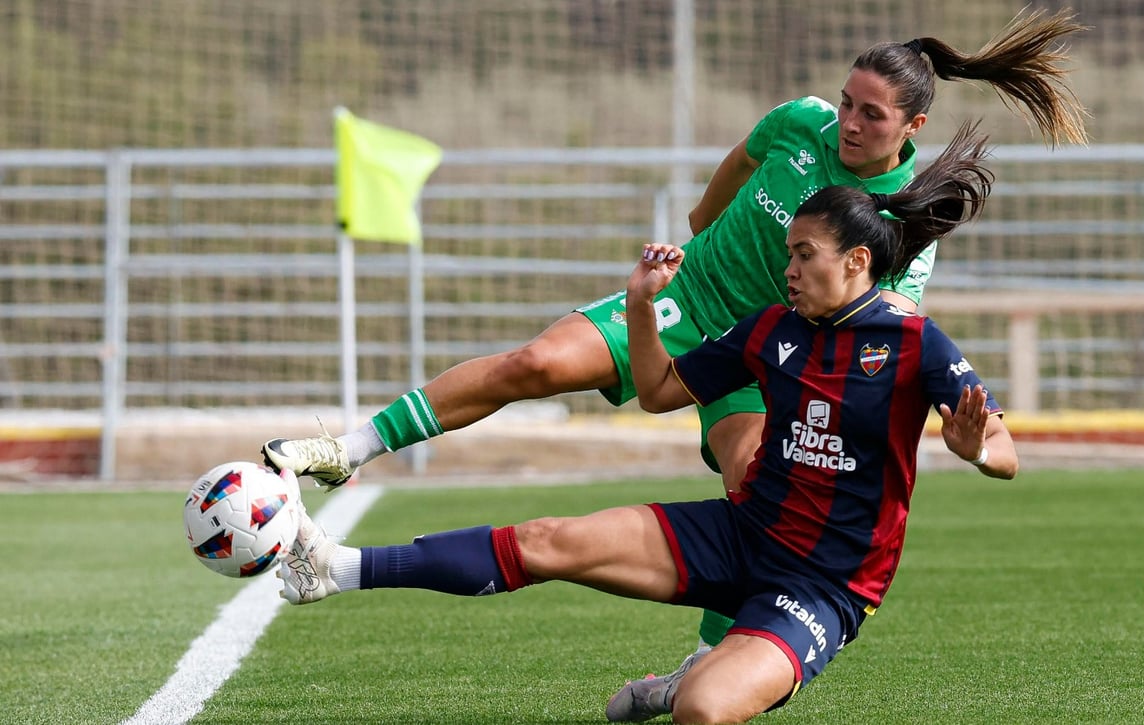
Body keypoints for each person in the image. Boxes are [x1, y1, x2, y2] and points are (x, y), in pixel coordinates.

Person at [262, 7, 1085, 698]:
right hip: (689, 308)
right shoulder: (800, 123)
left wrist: (965, 435)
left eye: (872, 114)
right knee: (537, 366)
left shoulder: (897, 223)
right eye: (847, 102)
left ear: (913, 127)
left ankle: (717, 661)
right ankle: (349, 448)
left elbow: (891, 329)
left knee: (756, 483)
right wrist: (697, 229)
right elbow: (741, 160)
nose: (850, 122)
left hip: (765, 359)